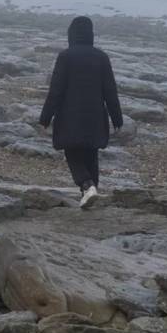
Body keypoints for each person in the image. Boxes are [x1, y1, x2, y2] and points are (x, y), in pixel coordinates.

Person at [39, 16, 124, 208]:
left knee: (73, 153)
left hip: (70, 117)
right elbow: (110, 91)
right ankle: (89, 194)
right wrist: (117, 119)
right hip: (95, 117)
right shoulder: (101, 57)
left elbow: (56, 91)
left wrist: (45, 118)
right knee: (90, 154)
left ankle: (87, 186)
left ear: (72, 34)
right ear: (90, 34)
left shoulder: (66, 56)